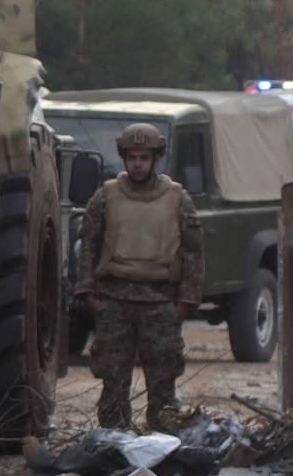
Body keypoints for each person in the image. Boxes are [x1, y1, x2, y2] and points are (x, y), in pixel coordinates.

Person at [75, 123, 203, 431]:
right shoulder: (106, 197)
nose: (137, 164)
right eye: (132, 157)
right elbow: (88, 245)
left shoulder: (177, 199)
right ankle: (114, 444)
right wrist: (88, 293)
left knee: (163, 385)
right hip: (115, 302)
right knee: (113, 384)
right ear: (123, 157)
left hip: (160, 302)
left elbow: (193, 252)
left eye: (144, 157)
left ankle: (163, 444)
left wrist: (185, 302)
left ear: (155, 158)